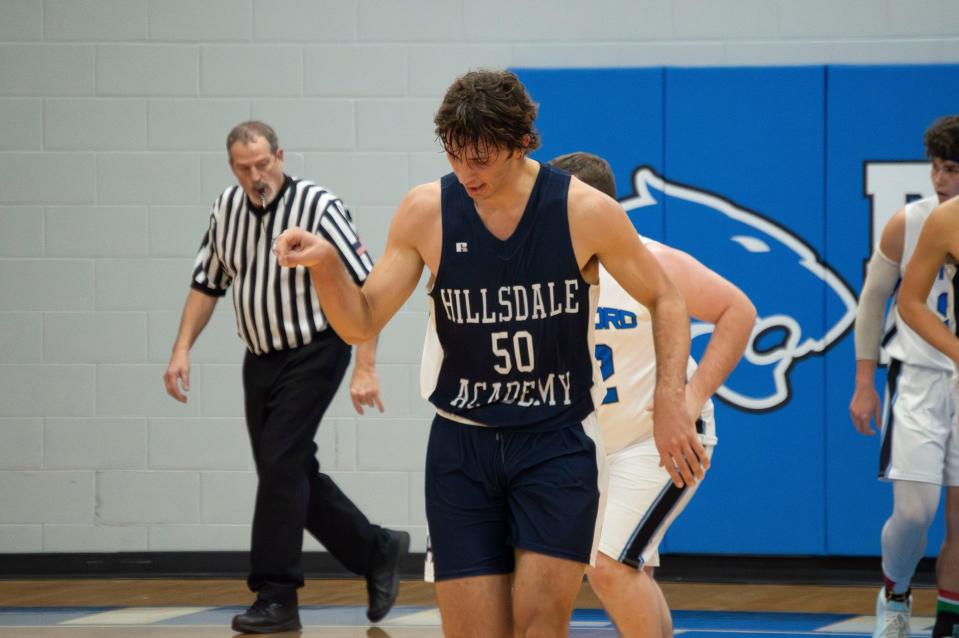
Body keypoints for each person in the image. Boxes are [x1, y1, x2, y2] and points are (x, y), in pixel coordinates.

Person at [273, 69, 705, 637]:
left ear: (522, 142)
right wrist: (327, 264)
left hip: (554, 443)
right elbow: (362, 321)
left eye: (481, 159)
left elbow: (667, 299)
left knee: (537, 629)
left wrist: (673, 399)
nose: (466, 172)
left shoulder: (582, 210)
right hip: (462, 447)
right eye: (455, 156)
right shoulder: (425, 211)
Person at [162, 121, 409, 634]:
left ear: (279, 155)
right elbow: (207, 282)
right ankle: (376, 548)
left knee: (280, 465)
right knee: (286, 471)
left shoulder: (318, 206)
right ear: (232, 168)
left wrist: (366, 366)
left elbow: (367, 289)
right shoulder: (226, 209)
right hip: (261, 358)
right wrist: (181, 349)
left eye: (263, 164)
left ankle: (276, 595)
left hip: (318, 348)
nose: (256, 176)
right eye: (244, 168)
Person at [549, 152, 755, 637]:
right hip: (592, 445)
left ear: (598, 208)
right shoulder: (549, 271)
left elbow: (737, 311)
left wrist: (690, 396)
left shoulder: (654, 261)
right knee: (626, 570)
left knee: (609, 567)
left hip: (660, 438)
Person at [851, 114, 959, 638]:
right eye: (936, 167)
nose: (940, 179)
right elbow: (875, 301)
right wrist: (864, 382)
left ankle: (949, 617)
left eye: (952, 168)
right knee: (916, 512)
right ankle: (894, 589)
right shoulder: (910, 221)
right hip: (919, 373)